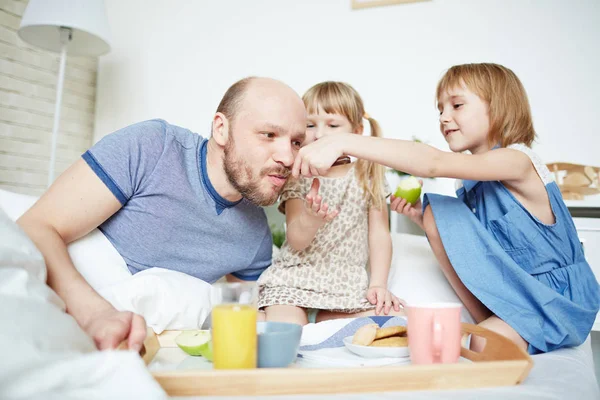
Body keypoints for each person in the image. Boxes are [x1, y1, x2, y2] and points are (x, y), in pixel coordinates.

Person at [290, 63, 600, 354]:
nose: (443, 117)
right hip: (511, 296)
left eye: (456, 105)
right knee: (435, 212)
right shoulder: (468, 185)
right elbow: (484, 249)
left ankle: (490, 328)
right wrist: (419, 219)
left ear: (499, 106)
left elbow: (434, 163)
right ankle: (484, 321)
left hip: (554, 301)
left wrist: (343, 142)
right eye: (440, 109)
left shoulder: (518, 161)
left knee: (485, 345)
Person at [17, 77, 307, 352]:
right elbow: (35, 226)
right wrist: (95, 314)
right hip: (63, 311)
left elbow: (253, 319)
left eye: (296, 142)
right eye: (268, 135)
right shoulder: (152, 148)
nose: (288, 158)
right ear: (221, 129)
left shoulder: (254, 235)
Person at [258, 81, 404, 325]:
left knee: (399, 319)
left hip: (346, 285)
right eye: (310, 125)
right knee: (288, 332)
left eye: (333, 125)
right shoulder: (298, 174)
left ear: (357, 132)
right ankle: (263, 317)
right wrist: (311, 219)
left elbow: (379, 234)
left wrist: (378, 284)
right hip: (295, 279)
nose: (321, 134)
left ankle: (325, 319)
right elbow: (296, 238)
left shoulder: (368, 174)